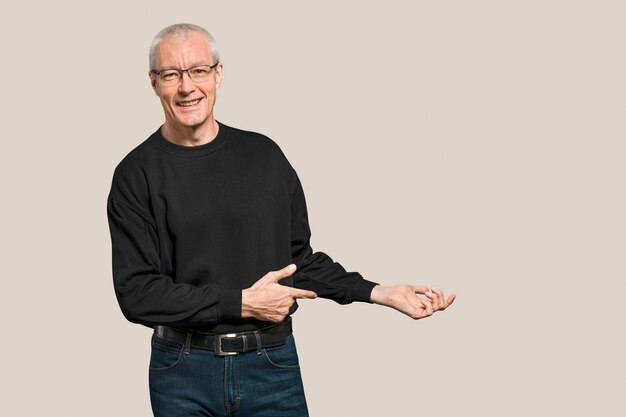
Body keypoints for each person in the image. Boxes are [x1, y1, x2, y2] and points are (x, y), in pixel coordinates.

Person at [107, 23, 455, 417]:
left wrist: (380, 292)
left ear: (218, 73)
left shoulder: (264, 156)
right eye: (172, 74)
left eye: (199, 70)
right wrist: (241, 302)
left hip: (270, 365)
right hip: (183, 370)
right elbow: (137, 293)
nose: (187, 87)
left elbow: (297, 262)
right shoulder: (136, 174)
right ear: (154, 83)